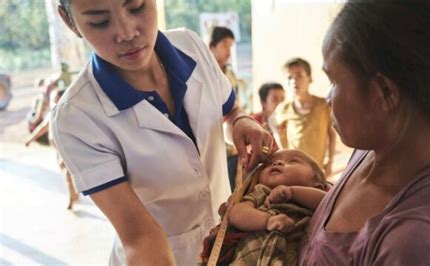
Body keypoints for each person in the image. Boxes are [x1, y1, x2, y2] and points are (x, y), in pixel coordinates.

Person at [52, 1, 273, 265]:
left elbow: (229, 110)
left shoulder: (190, 47)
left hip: (228, 245)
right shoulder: (77, 116)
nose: (127, 33)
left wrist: (241, 120)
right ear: (69, 21)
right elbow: (140, 237)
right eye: (100, 21)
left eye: (136, 7)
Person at [299, 0, 430, 265]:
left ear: (385, 93)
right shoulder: (373, 151)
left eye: (334, 81)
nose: (328, 98)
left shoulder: (414, 246)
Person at [200, 149, 329, 265]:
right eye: (270, 163)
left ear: (317, 185)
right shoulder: (261, 192)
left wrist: (293, 192)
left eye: (293, 161)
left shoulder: (315, 198)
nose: (277, 163)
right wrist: (267, 220)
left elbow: (328, 203)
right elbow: (236, 213)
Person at [271, 58, 336, 176]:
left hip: (317, 169)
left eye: (299, 76)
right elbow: (273, 124)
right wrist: (283, 149)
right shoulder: (283, 109)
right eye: (289, 78)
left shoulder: (323, 105)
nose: (294, 81)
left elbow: (331, 134)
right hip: (293, 170)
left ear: (310, 79)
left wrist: (330, 162)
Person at [209, 26, 249, 191]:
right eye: (225, 45)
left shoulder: (230, 75)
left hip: (230, 145)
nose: (229, 51)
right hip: (211, 143)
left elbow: (236, 106)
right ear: (212, 46)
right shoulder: (204, 73)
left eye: (231, 46)